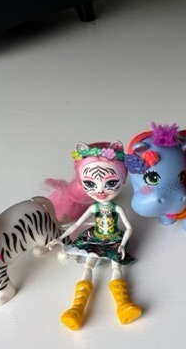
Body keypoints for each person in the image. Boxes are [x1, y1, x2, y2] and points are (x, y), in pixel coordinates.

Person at [46, 141, 141, 330]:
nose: (100, 190)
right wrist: (60, 238)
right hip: (94, 238)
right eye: (90, 183)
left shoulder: (116, 208)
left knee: (116, 268)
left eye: (111, 183)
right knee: (88, 266)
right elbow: (78, 224)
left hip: (114, 239)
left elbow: (129, 228)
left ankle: (124, 304)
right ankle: (76, 308)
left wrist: (122, 244)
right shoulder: (93, 208)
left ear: (122, 181)